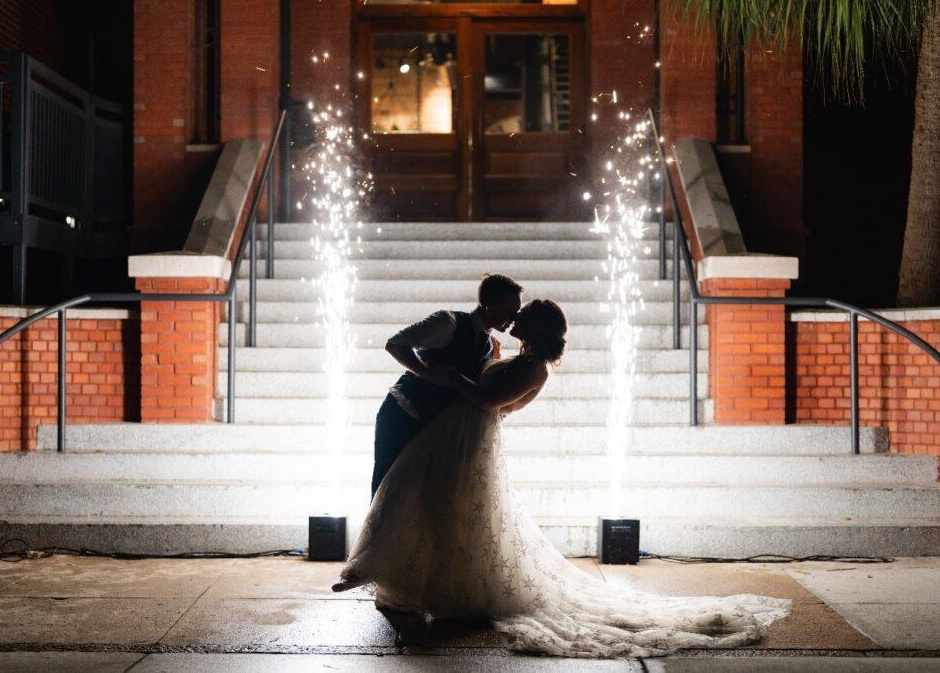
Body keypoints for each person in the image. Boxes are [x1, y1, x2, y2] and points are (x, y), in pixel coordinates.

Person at [334, 299, 791, 658]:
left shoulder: (534, 367)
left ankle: (426, 585)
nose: (515, 319)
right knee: (429, 506)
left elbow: (491, 405)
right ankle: (411, 580)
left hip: (467, 438)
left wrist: (452, 375)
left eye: (524, 316)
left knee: (444, 509)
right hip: (454, 437)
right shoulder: (517, 356)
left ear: (537, 328)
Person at [369, 274, 523, 497]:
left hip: (434, 429)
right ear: (489, 304)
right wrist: (427, 374)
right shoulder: (447, 322)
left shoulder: (491, 345)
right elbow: (395, 344)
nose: (515, 317)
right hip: (403, 414)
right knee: (386, 490)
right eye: (511, 309)